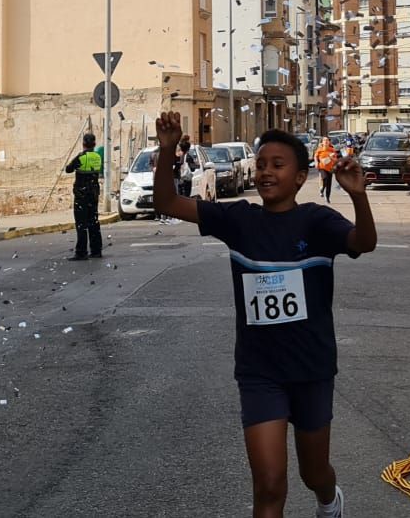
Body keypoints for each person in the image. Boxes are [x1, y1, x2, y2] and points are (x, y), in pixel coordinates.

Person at [151, 113, 375, 518]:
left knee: (314, 472)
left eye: (277, 165)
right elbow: (167, 203)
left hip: (311, 368)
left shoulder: (318, 221)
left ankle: (330, 500)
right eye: (261, 164)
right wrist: (168, 150)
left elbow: (364, 242)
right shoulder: (238, 220)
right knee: (269, 484)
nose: (265, 172)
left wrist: (359, 196)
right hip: (260, 372)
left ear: (301, 177)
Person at [63, 133, 104, 261]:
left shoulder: (81, 157)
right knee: (94, 222)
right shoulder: (97, 156)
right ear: (94, 144)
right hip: (94, 194)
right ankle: (96, 250)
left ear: (83, 144)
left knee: (81, 224)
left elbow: (68, 169)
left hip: (82, 195)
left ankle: (81, 252)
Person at [314, 138, 337, 203]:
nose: (326, 141)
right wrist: (316, 162)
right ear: (322, 142)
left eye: (327, 140)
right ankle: (322, 188)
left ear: (329, 142)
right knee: (324, 178)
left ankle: (327, 197)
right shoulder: (319, 150)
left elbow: (335, 160)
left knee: (329, 183)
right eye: (324, 140)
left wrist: (332, 157)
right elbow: (315, 156)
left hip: (330, 168)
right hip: (322, 167)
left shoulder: (332, 150)